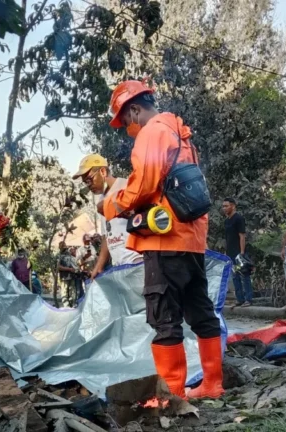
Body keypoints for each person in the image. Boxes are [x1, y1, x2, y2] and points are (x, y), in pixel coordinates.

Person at [102, 80, 222, 400]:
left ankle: (171, 395)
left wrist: (116, 204)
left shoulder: (152, 132)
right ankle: (212, 383)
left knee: (165, 317)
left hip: (164, 240)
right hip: (192, 240)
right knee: (200, 310)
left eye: (126, 120)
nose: (127, 127)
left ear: (135, 110)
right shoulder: (181, 135)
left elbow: (143, 183)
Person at [72, 154, 143, 279]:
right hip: (119, 265)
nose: (88, 185)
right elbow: (107, 235)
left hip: (137, 261)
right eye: (85, 183)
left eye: (89, 179)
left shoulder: (126, 187)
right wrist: (99, 266)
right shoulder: (102, 200)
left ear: (103, 171)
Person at [223, 198, 254, 307]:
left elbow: (242, 236)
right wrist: (227, 252)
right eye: (223, 206)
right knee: (235, 275)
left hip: (238, 253)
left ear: (233, 206)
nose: (224, 208)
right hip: (230, 254)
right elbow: (227, 238)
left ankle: (248, 299)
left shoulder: (238, 219)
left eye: (226, 206)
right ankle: (239, 299)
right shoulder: (226, 221)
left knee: (244, 275)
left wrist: (241, 252)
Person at [56, 242, 79, 307]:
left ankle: (72, 305)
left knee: (72, 292)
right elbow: (58, 267)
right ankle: (67, 307)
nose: (64, 247)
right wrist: (68, 269)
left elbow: (75, 264)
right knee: (64, 293)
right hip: (64, 277)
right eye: (62, 246)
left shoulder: (70, 255)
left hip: (72, 276)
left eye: (64, 246)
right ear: (60, 247)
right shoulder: (58, 255)